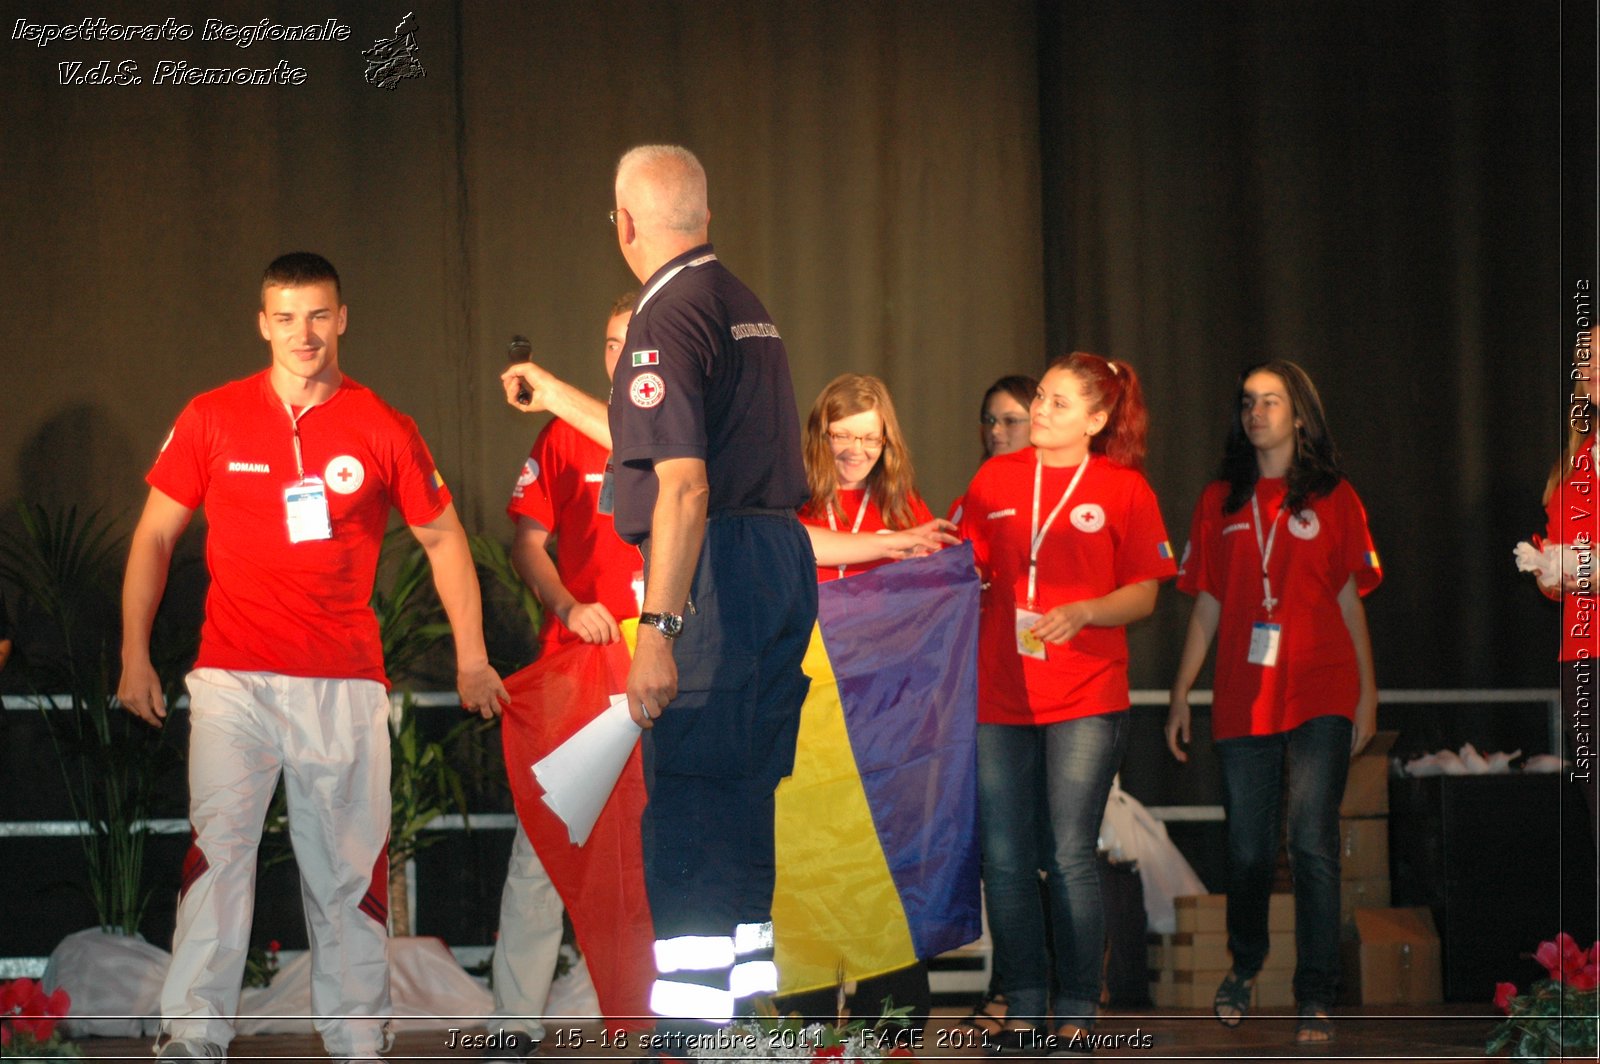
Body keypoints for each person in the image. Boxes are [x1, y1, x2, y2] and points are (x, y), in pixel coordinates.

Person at [117, 252, 508, 1064]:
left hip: (343, 684)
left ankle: (359, 1046)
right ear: (263, 323)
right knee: (219, 861)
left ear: (343, 319)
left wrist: (473, 657)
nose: (304, 333)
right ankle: (192, 1043)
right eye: (287, 317)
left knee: (344, 881)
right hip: (233, 678)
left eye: (319, 315)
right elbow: (155, 534)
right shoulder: (213, 416)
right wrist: (133, 655)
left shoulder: (382, 423)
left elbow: (443, 539)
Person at [503, 144, 817, 1037]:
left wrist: (657, 630)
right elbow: (658, 441)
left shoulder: (663, 316)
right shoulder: (742, 305)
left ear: (625, 224)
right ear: (705, 217)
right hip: (775, 565)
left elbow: (681, 484)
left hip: (713, 574)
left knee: (684, 815)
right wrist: (560, 392)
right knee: (743, 806)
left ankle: (688, 1042)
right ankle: (746, 1028)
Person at [958, 352, 1175, 1052]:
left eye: (1055, 403)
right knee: (1004, 857)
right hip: (999, 694)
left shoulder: (1125, 490)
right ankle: (1022, 1005)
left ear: (1098, 418)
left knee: (1070, 852)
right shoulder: (994, 478)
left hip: (1084, 693)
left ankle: (1079, 1006)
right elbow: (963, 567)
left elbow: (1144, 593)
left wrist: (1085, 611)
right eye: (1039, 400)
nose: (1039, 413)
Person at [1165, 359, 1379, 1046]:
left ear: (1299, 415)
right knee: (1250, 850)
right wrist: (1179, 691)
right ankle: (1246, 964)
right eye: (1249, 402)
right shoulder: (1218, 499)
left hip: (1322, 685)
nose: (1258, 412)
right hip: (1242, 694)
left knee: (1312, 842)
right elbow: (1206, 603)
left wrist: (1369, 694)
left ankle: (1315, 993)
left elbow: (1350, 600)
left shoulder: (1334, 496)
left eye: (1273, 401)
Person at [486, 292, 641, 1062]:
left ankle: (683, 1027)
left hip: (675, 670)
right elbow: (527, 541)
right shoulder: (563, 436)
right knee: (545, 845)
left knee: (676, 852)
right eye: (613, 342)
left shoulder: (699, 436)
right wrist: (569, 601)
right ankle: (513, 1024)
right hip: (584, 672)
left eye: (639, 341)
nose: (624, 355)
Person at [1528, 327, 1598, 843]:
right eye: (1585, 358)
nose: (1591, 366)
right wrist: (1548, 570)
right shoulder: (1571, 470)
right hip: (1583, 653)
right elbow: (1564, 580)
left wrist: (1585, 569)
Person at [799, 373, 947, 583]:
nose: (856, 450)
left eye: (871, 439)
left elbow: (938, 586)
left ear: (886, 442)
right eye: (843, 436)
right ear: (820, 435)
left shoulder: (901, 504)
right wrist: (889, 543)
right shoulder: (792, 500)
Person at [950, 375, 1038, 527]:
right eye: (990, 421)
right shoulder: (968, 504)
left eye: (1010, 421)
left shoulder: (1057, 498)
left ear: (1039, 423)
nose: (995, 431)